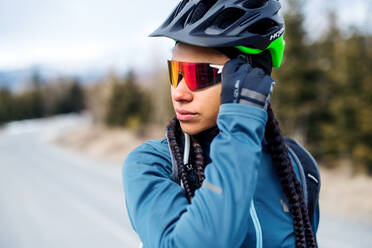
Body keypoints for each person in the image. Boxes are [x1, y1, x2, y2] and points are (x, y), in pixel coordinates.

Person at [122, 0, 320, 247]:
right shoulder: (153, 164)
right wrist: (240, 122)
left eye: (200, 75)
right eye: (176, 73)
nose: (179, 92)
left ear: (251, 78)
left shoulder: (297, 168)